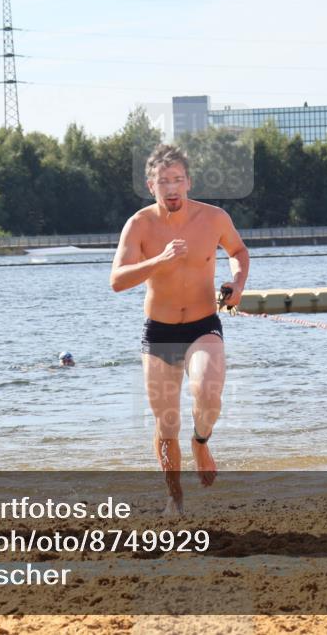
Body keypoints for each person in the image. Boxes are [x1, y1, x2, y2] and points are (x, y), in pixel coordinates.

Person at [110, 143, 249, 515]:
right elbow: (117, 280)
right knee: (166, 422)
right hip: (159, 333)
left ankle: (201, 441)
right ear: (150, 184)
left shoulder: (213, 217)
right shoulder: (139, 224)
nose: (171, 188)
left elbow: (238, 252)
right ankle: (175, 495)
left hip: (204, 325)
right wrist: (159, 259)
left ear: (188, 182)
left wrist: (237, 286)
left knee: (208, 392)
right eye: (163, 181)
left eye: (177, 180)